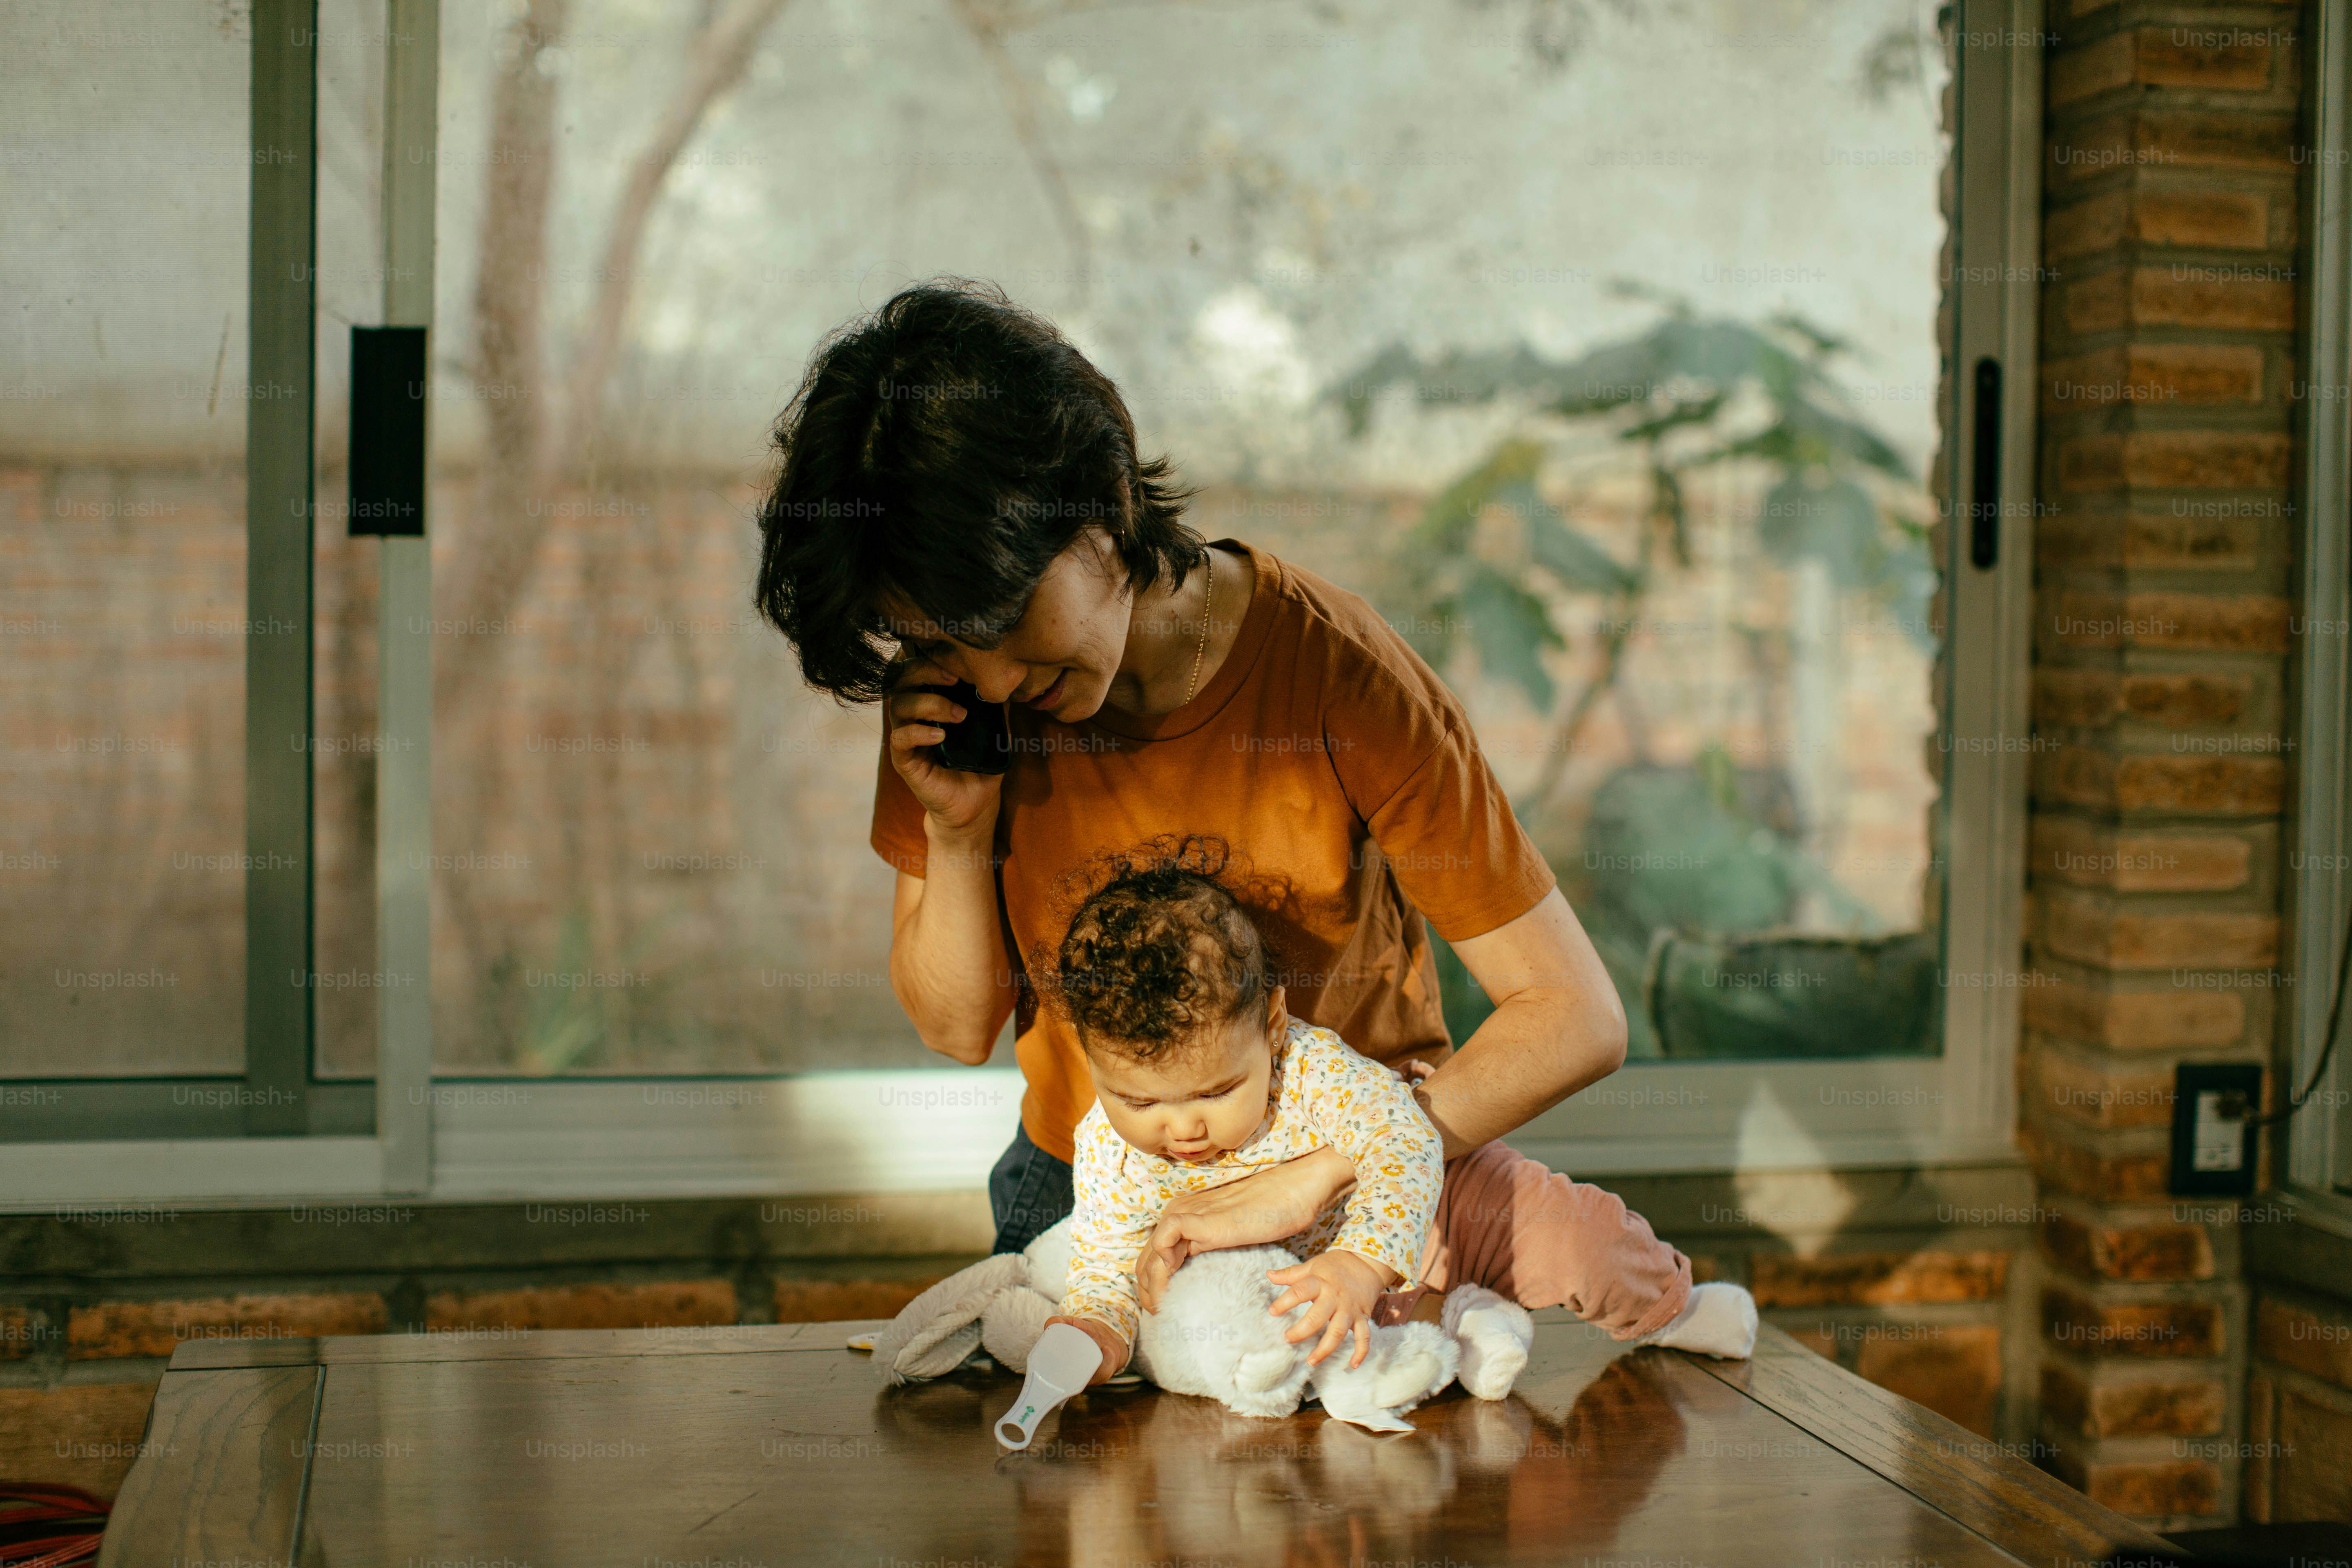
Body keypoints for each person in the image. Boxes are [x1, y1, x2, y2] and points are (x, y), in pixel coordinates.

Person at [753, 276, 1718, 1343]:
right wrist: (958, 830)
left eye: (1001, 615)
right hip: (1085, 1196)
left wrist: (1320, 1172)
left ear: (1104, 503)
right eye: (936, 636)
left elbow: (1575, 1016)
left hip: (1357, 1206)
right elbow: (953, 1025)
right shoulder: (959, 720)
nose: (986, 674)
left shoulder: (1338, 676)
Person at [1038, 845, 1754, 1387]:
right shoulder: (1109, 1147)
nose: (1183, 1129)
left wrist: (1362, 1259)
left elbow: (1406, 1141)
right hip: (1336, 1299)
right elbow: (1105, 1257)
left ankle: (1671, 1305)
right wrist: (1099, 1326)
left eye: (1216, 1092)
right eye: (1139, 1101)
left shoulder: (1312, 1069)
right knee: (1349, 1367)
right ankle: (1463, 1322)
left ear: (1275, 1028)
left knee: (1576, 1242)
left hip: (1442, 1207)